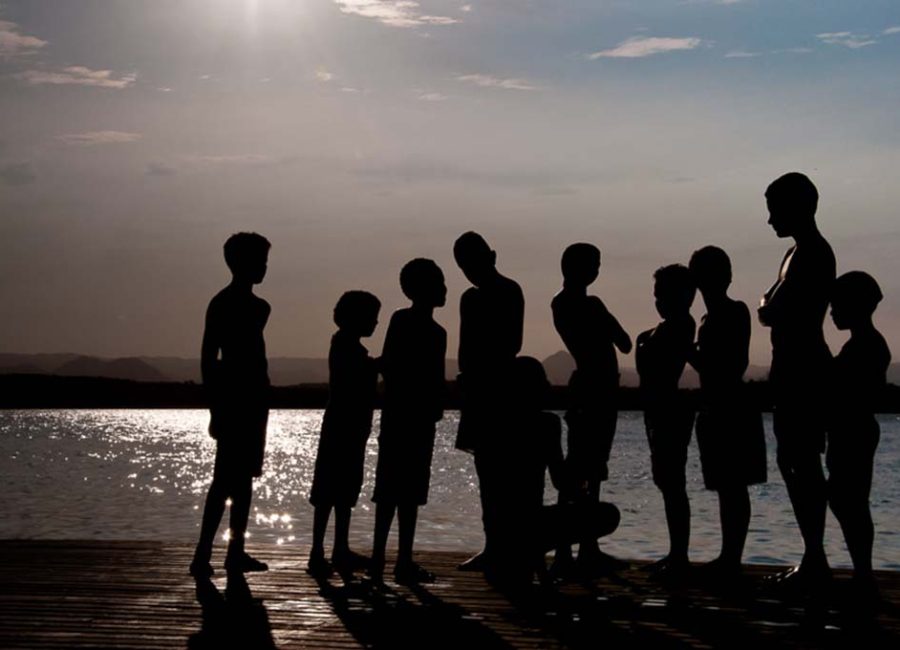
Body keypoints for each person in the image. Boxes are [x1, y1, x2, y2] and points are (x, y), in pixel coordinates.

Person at [758, 172, 836, 588]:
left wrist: (769, 304)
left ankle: (815, 558)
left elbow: (772, 308)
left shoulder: (813, 253)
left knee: (803, 463)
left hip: (806, 369)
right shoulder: (793, 253)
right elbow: (771, 303)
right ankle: (812, 555)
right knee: (792, 463)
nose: (769, 219)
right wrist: (770, 304)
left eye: (774, 209)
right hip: (788, 368)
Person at [485, 357, 620, 588]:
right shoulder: (546, 424)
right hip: (530, 524)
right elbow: (562, 482)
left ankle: (527, 561)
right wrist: (583, 480)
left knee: (523, 516)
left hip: (502, 528)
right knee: (607, 515)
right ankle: (548, 561)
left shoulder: (495, 424)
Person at [190, 232, 272, 578]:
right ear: (240, 263)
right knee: (224, 479)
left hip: (255, 398)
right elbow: (209, 358)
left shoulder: (259, 306)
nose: (265, 267)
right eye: (259, 261)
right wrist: (216, 407)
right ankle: (202, 553)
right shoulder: (223, 303)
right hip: (235, 400)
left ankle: (235, 551)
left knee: (244, 480)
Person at [551, 243, 631, 575]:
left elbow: (621, 342)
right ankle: (568, 550)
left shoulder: (565, 304)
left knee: (590, 469)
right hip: (592, 391)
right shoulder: (581, 305)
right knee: (579, 470)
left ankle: (584, 547)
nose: (596, 270)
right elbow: (623, 341)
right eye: (593, 264)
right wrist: (603, 317)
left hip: (597, 391)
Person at [688, 246, 767, 581]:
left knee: (733, 486)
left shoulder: (735, 311)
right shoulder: (708, 318)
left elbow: (732, 364)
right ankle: (728, 555)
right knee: (726, 486)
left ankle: (731, 557)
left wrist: (690, 355)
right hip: (716, 406)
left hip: (731, 406)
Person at [369, 259, 448, 585]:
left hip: (407, 416)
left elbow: (392, 365)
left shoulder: (412, 324)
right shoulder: (415, 325)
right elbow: (399, 367)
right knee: (398, 491)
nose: (445, 289)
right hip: (408, 416)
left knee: (402, 491)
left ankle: (393, 560)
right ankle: (391, 560)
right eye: (440, 283)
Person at [453, 232, 524, 571]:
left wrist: (479, 369)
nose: (470, 273)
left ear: (491, 257)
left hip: (499, 389)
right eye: (464, 267)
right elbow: (464, 347)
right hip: (478, 391)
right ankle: (494, 543)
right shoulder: (469, 298)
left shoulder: (510, 291)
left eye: (473, 264)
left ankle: (508, 543)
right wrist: (467, 377)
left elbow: (512, 342)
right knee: (486, 470)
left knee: (505, 470)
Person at [307, 290, 381, 578]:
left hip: (351, 427)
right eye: (372, 317)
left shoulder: (347, 346)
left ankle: (339, 548)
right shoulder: (344, 346)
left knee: (345, 490)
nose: (375, 323)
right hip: (342, 426)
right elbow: (356, 375)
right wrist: (378, 365)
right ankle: (318, 551)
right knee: (329, 490)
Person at [827, 271, 891, 600]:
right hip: (851, 429)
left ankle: (864, 575)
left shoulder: (866, 346)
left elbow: (848, 388)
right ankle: (861, 572)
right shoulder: (863, 343)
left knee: (850, 501)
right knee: (846, 500)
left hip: (855, 430)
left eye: (837, 305)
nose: (832, 312)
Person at [636, 264, 697, 581]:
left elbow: (654, 360)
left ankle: (680, 556)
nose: (659, 301)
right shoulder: (661, 330)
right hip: (656, 410)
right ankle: (676, 553)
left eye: (665, 294)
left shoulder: (682, 326)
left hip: (670, 411)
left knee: (673, 483)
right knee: (666, 481)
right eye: (656, 295)